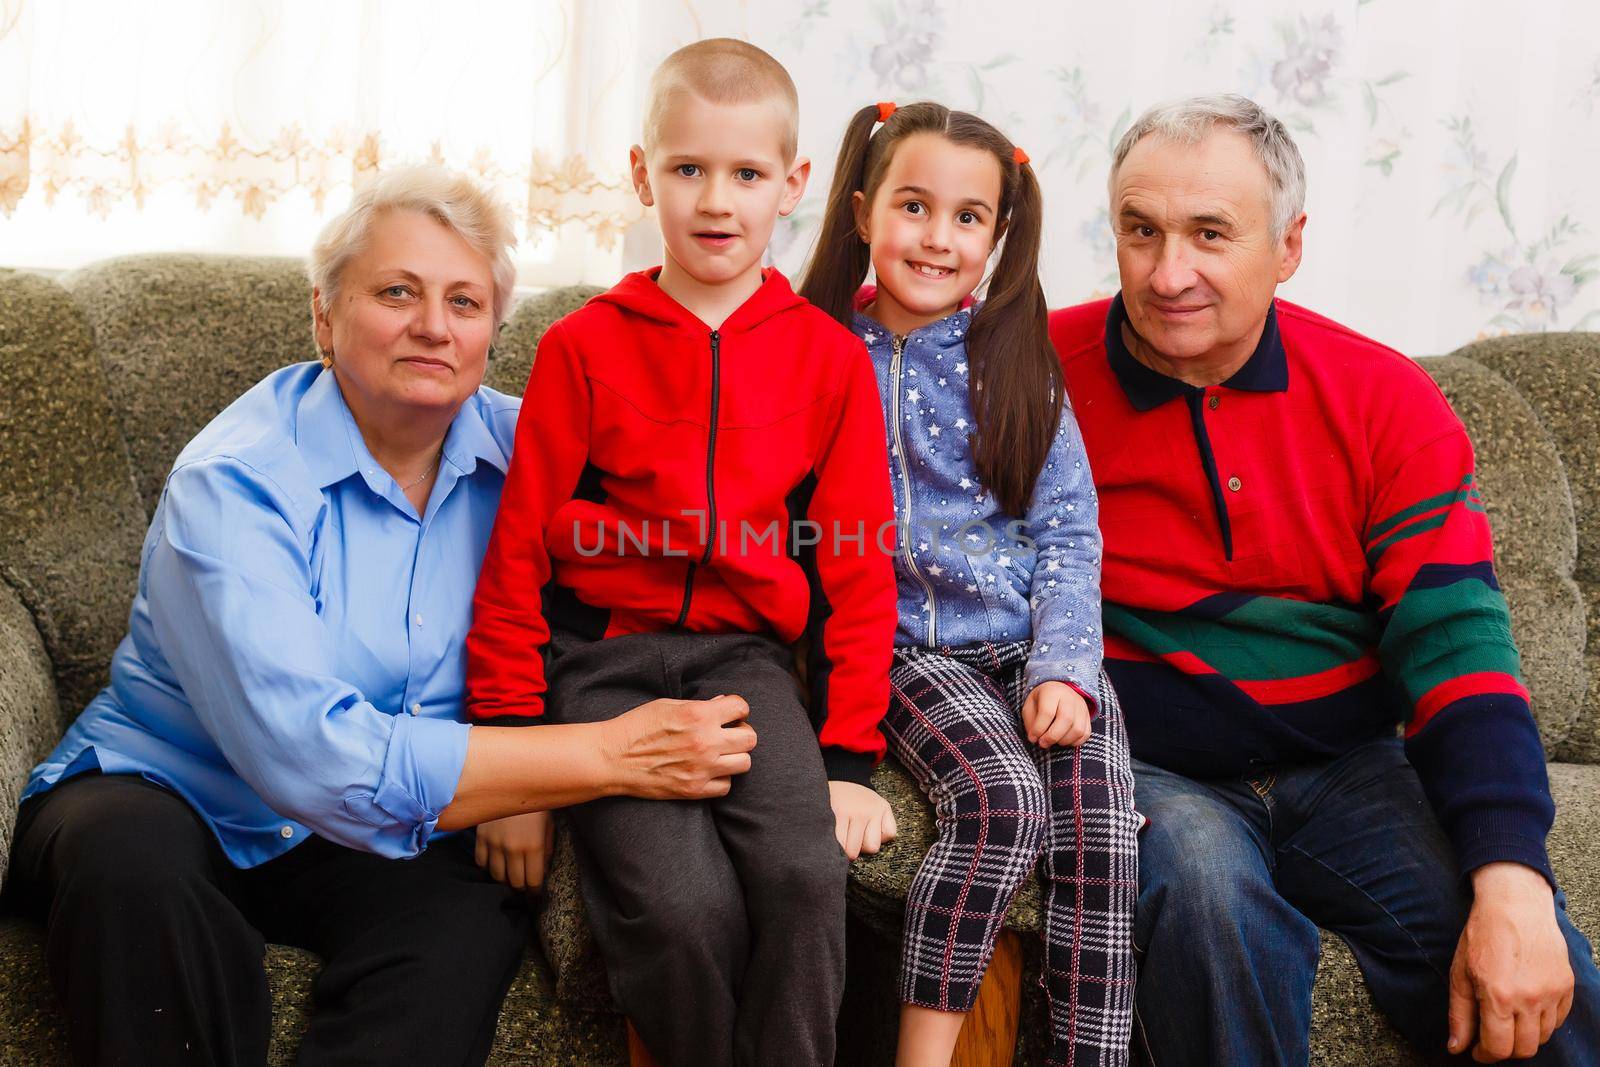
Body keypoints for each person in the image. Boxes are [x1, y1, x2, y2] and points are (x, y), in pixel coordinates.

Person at [6, 164, 756, 1067]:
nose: (434, 326)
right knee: (127, 872)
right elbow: (309, 753)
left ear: (492, 332)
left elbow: (698, 533)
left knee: (466, 921)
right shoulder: (234, 482)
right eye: (397, 292)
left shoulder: (533, 452)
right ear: (323, 316)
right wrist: (593, 757)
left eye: (465, 302)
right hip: (170, 789)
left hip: (391, 828)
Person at [1048, 94, 1600, 1065]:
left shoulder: (1383, 398)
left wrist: (1511, 872)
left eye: (1209, 234)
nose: (1167, 272)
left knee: (1528, 953)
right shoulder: (1035, 373)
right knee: (1206, 890)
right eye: (1141, 231)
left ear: (1288, 244)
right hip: (1147, 765)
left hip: (1346, 763)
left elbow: (1457, 644)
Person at [463, 39, 898, 1067]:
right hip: (604, 666)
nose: (716, 200)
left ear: (791, 185)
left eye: (747, 174)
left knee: (803, 879)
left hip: (747, 666)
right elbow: (516, 549)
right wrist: (516, 765)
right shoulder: (583, 346)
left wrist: (848, 758)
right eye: (688, 169)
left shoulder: (828, 361)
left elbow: (856, 565)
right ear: (638, 173)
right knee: (679, 903)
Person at [799, 99, 1138, 1067]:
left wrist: (1064, 667)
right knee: (1000, 799)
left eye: (965, 218)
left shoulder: (1014, 359)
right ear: (863, 214)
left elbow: (1070, 529)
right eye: (912, 206)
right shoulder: (821, 354)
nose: (935, 238)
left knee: (1105, 829)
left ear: (996, 235)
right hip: (906, 646)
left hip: (1028, 639)